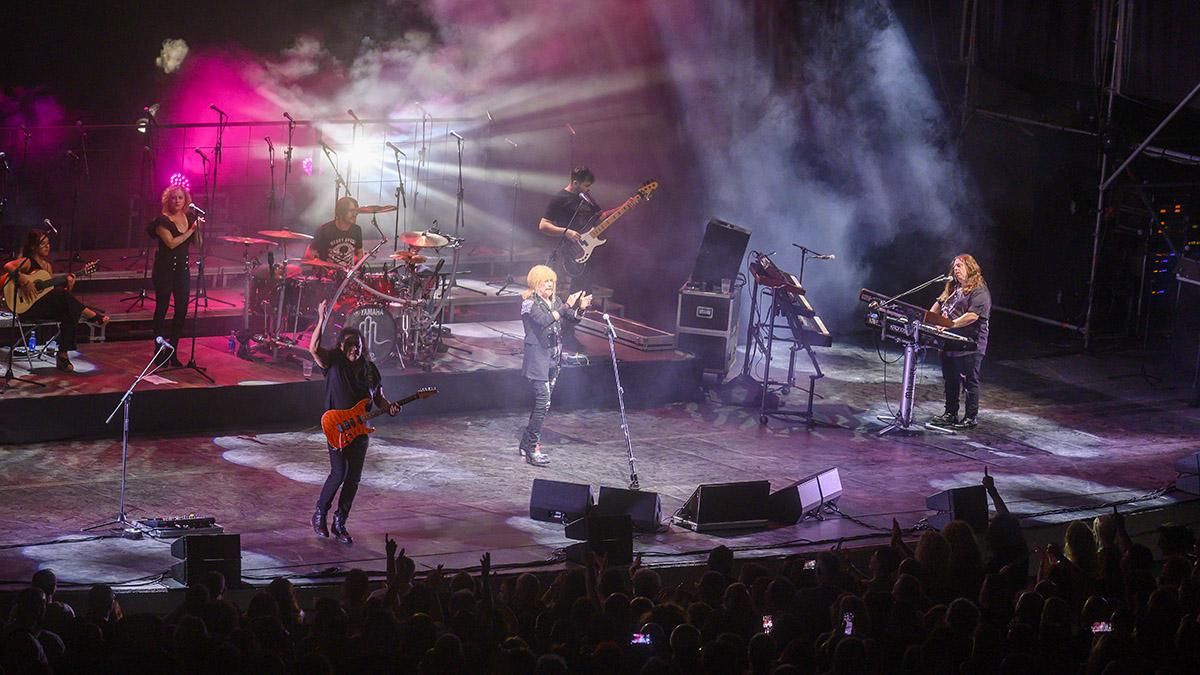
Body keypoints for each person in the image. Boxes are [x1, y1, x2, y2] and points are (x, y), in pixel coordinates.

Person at [308, 298, 401, 544]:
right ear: (341, 346)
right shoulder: (334, 362)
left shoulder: (370, 369)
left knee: (353, 479)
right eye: (349, 345)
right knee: (338, 473)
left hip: (360, 431)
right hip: (337, 427)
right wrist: (321, 320)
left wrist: (389, 407)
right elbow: (313, 348)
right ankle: (320, 514)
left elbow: (379, 398)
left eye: (358, 346)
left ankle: (340, 522)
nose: (354, 349)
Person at [3, 229, 108, 372]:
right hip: (27, 308)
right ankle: (92, 316)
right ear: (33, 247)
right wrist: (24, 281)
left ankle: (63, 354)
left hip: (43, 308)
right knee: (67, 304)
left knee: (69, 311)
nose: (47, 246)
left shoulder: (47, 267)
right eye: (43, 244)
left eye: (48, 243)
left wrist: (68, 285)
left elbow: (50, 294)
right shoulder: (27, 262)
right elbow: (8, 266)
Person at [518, 264, 591, 466]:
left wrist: (580, 308)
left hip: (553, 360)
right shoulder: (529, 303)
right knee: (543, 403)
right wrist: (566, 305)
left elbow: (569, 320)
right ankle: (532, 447)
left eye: (551, 281)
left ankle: (526, 443)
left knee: (544, 404)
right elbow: (544, 320)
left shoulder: (556, 301)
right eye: (545, 281)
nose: (550, 285)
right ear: (536, 283)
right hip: (537, 360)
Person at [537, 167, 615, 352]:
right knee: (574, 292)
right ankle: (565, 334)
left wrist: (624, 207)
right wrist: (566, 232)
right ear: (575, 182)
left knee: (584, 292)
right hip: (569, 253)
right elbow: (543, 225)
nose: (589, 189)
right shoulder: (560, 198)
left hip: (588, 252)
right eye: (586, 185)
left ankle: (569, 332)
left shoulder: (587, 198)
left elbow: (599, 218)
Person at [929, 254, 991, 429]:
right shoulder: (953, 289)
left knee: (970, 380)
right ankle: (950, 413)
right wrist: (928, 319)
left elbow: (972, 316)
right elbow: (937, 307)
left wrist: (950, 325)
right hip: (949, 342)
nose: (955, 269)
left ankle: (971, 417)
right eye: (954, 266)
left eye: (960, 266)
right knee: (950, 379)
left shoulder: (979, 290)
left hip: (970, 343)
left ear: (970, 268)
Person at [147, 184, 202, 367]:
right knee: (162, 309)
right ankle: (158, 351)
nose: (177, 201)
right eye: (173, 197)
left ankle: (173, 351)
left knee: (181, 311)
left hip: (182, 271)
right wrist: (191, 231)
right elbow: (171, 243)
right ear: (167, 200)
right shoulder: (162, 221)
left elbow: (198, 245)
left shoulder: (189, 218)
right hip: (164, 270)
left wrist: (198, 229)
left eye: (180, 198)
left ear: (185, 200)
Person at [306, 196, 363, 268]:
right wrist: (321, 267)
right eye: (351, 211)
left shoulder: (357, 229)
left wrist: (356, 267)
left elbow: (360, 252)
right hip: (328, 273)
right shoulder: (324, 230)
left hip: (349, 273)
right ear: (341, 212)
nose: (355, 214)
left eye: (356, 211)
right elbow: (309, 254)